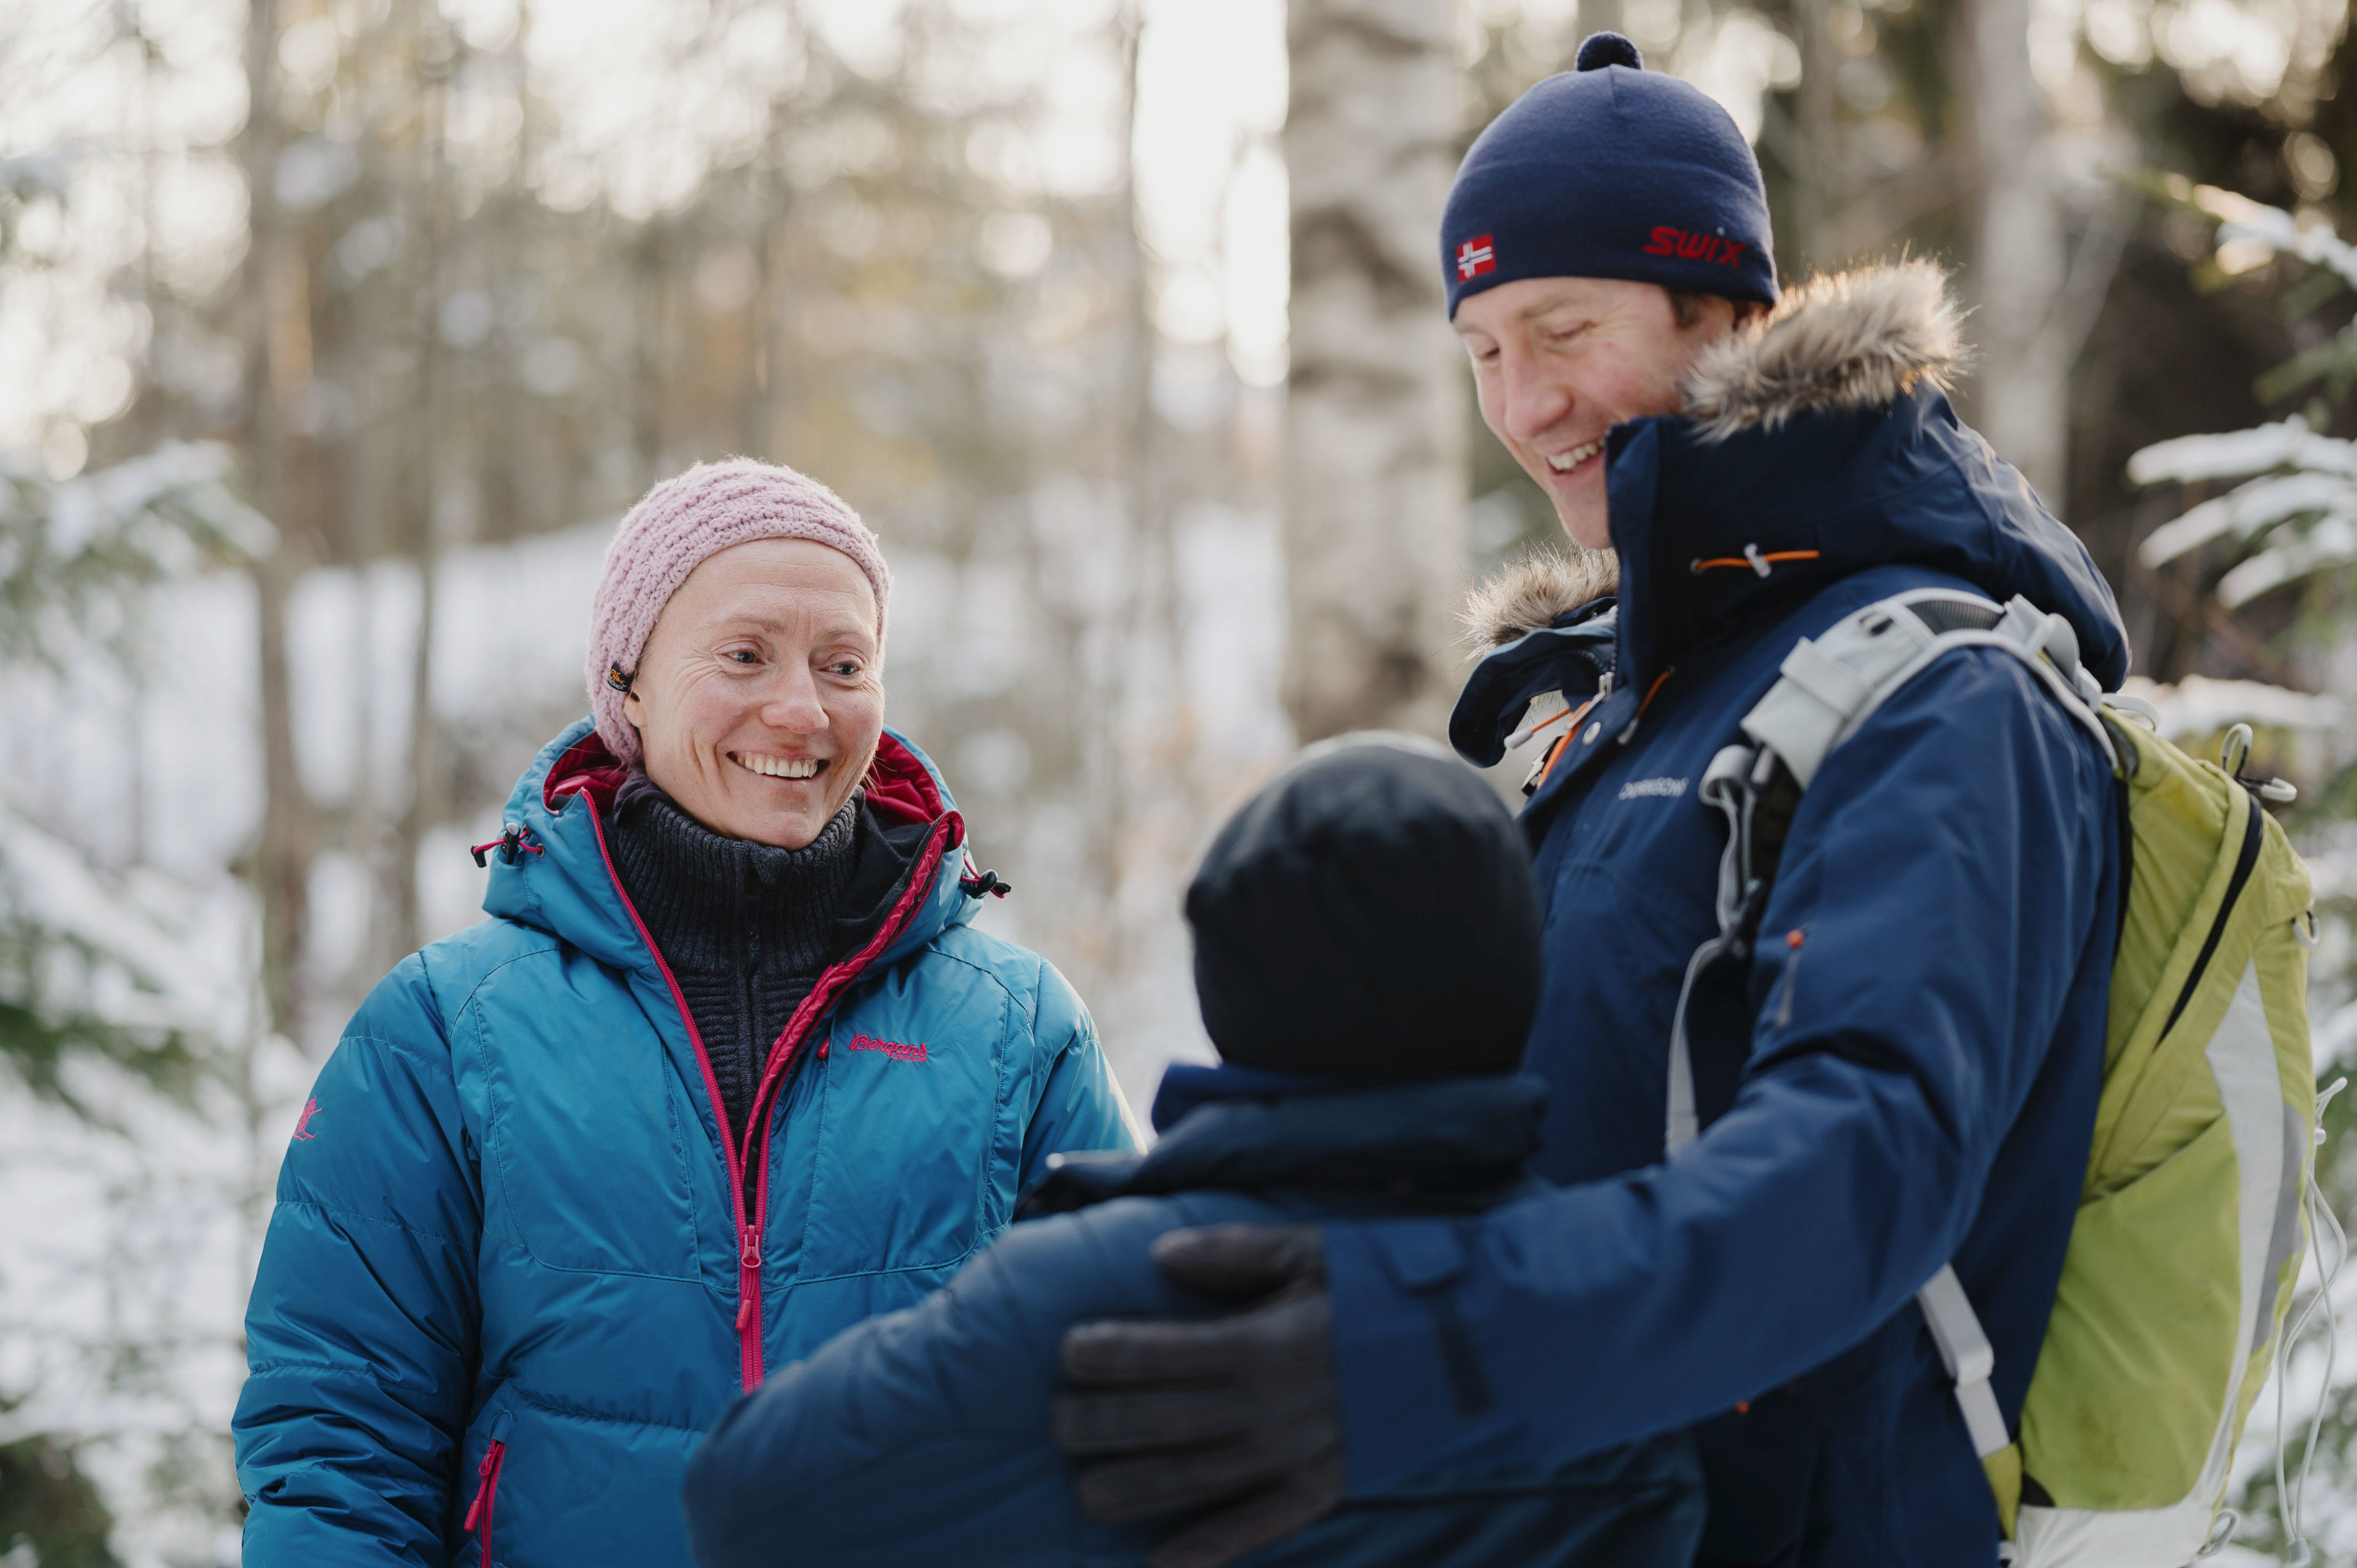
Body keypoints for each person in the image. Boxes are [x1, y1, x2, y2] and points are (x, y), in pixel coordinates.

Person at [1052, 34, 2126, 1568]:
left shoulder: (1941, 693)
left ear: (1735, 311)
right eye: (1483, 349)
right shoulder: (1636, 704)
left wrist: (1427, 1346)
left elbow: (1862, 1169)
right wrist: (1176, 1236)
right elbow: (1539, 1136)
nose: (1526, 404)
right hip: (1586, 1516)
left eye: (1562, 329)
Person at [232, 458, 1138, 1566]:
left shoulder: (1018, 1031)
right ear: (629, 685)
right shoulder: (446, 1028)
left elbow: (1127, 1414)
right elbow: (340, 1442)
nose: (801, 709)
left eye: (843, 663)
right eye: (746, 654)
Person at [679, 735, 1706, 1568]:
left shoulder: (1100, 1288)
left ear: (1231, 974)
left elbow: (747, 1498)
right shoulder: (1598, 1301)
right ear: (1521, 964)